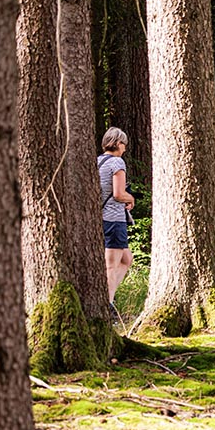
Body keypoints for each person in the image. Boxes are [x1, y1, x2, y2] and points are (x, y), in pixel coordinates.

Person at [98, 127, 135, 315]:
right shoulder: (117, 163)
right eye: (124, 144)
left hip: (101, 218)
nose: (125, 148)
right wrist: (131, 199)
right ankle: (107, 304)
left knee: (127, 259)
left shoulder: (98, 161)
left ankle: (108, 296)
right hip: (114, 219)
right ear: (118, 143)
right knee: (111, 265)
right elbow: (119, 194)